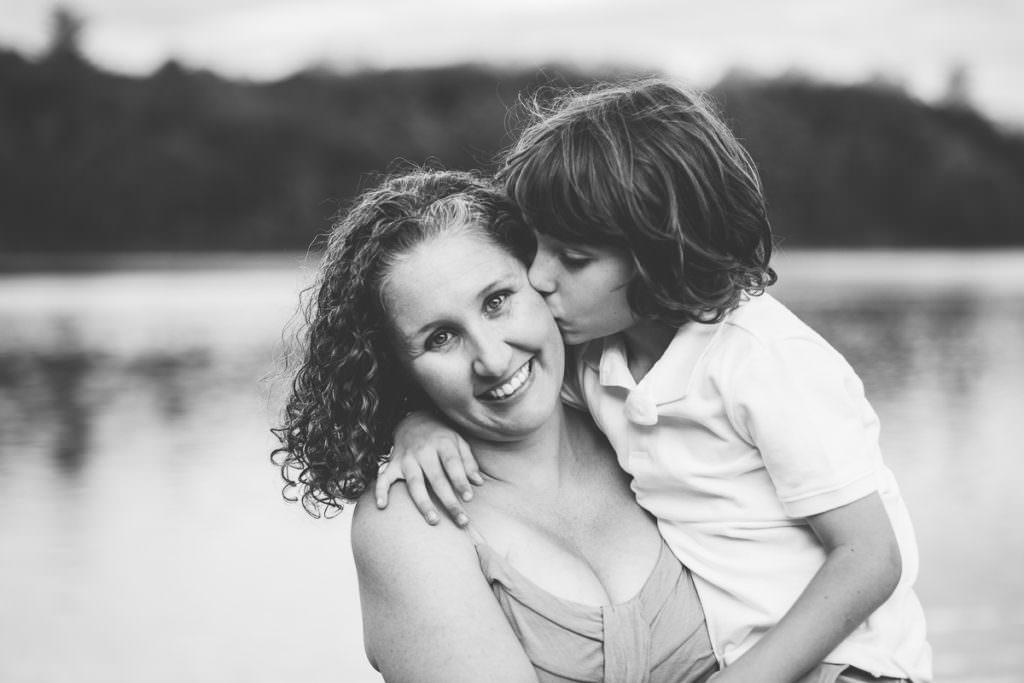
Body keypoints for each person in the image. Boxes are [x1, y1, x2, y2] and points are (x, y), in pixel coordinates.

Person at [375, 80, 932, 683]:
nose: (538, 275)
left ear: (660, 254)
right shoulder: (596, 359)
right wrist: (417, 423)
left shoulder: (762, 359)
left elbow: (871, 558)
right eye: (537, 248)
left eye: (574, 258)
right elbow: (498, 385)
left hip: (853, 664)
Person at [272, 168, 719, 683]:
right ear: (395, 366)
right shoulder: (411, 521)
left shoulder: (651, 411)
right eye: (440, 338)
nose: (491, 358)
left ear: (543, 277)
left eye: (497, 301)